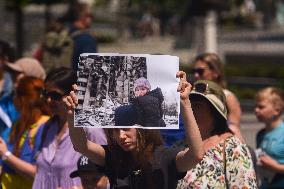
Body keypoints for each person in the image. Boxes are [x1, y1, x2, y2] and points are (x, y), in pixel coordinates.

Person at [63, 71, 205, 189]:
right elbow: (81, 145)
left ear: (142, 127)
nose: (121, 136)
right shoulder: (114, 158)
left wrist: (185, 103)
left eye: (125, 128)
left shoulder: (165, 157)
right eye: (115, 130)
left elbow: (196, 155)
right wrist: (72, 115)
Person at [32, 67, 107, 189]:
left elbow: (106, 173)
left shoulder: (90, 129)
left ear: (72, 94)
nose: (48, 100)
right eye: (46, 94)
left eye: (55, 95)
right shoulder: (46, 128)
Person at [177, 80, 257, 188]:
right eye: (190, 104)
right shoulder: (180, 145)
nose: (191, 110)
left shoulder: (232, 147)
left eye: (198, 106)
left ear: (215, 113)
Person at [0, 76, 50, 189]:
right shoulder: (19, 123)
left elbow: (37, 174)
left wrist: (5, 155)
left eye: (16, 95)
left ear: (23, 99)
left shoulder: (45, 126)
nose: (13, 100)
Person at [191, 53, 245, 142]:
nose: (196, 75)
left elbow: (234, 127)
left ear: (215, 72)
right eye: (194, 71)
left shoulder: (228, 97)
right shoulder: (192, 94)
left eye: (200, 71)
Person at [0, 57, 46, 143]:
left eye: (18, 73)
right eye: (12, 72)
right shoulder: (5, 102)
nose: (13, 76)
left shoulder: (47, 107)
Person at [255, 87, 284, 188]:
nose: (256, 110)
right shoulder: (260, 134)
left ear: (277, 110)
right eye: (256, 106)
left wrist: (275, 167)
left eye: (261, 107)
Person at [64, 2, 97, 70]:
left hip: (59, 78)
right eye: (90, 15)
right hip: (75, 79)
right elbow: (90, 68)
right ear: (82, 17)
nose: (91, 18)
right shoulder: (87, 40)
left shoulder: (65, 33)